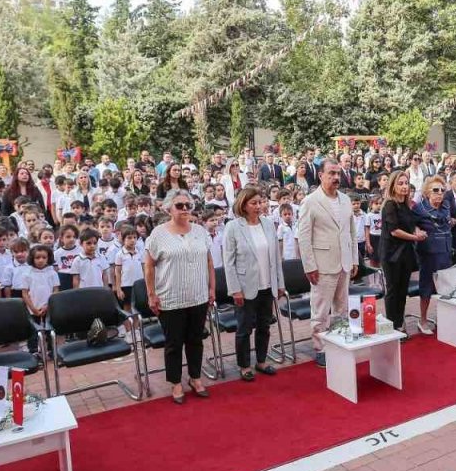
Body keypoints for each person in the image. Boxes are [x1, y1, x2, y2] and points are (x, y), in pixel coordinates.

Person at [143, 189, 215, 404]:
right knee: (174, 343)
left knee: (195, 340)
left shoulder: (200, 231)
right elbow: (149, 267)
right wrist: (151, 294)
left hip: (198, 295)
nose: (185, 209)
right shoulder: (158, 234)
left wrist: (212, 288)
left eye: (188, 205)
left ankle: (195, 377)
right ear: (168, 209)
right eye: (179, 205)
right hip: (170, 298)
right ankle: (175, 382)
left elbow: (209, 262)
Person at [298, 159, 357, 366]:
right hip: (322, 264)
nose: (336, 177)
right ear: (321, 175)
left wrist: (354, 258)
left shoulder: (346, 200)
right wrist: (309, 266)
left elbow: (351, 231)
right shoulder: (310, 201)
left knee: (342, 307)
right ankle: (320, 347)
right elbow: (304, 237)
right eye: (331, 173)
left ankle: (339, 341)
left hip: (344, 262)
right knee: (321, 309)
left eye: (338, 174)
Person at [223, 187, 286, 381]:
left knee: (264, 325)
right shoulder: (233, 227)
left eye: (260, 202)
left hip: (267, 285)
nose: (259, 206)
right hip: (245, 287)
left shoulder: (267, 224)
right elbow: (229, 261)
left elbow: (276, 257)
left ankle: (261, 360)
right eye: (254, 203)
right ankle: (244, 365)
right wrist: (235, 289)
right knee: (244, 328)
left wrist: (280, 283)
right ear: (243, 205)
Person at [379, 170, 423, 336]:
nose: (405, 187)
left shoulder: (406, 204)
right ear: (393, 185)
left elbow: (411, 224)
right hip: (391, 253)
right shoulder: (390, 205)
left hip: (405, 252)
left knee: (402, 289)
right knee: (393, 289)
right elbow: (394, 231)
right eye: (400, 183)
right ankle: (392, 325)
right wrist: (415, 237)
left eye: (406, 183)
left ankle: (399, 321)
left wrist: (417, 231)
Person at [415, 177, 454, 333]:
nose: (439, 193)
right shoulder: (419, 208)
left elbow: (446, 222)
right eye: (435, 190)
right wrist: (416, 229)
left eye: (442, 190)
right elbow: (411, 223)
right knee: (427, 287)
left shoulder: (446, 205)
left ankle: (441, 317)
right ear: (426, 193)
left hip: (446, 250)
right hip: (429, 253)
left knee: (445, 287)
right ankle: (423, 320)